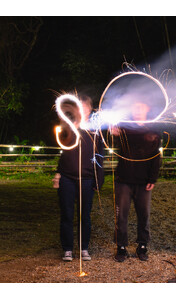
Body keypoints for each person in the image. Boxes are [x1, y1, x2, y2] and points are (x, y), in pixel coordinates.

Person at [52, 95, 104, 262]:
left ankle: (84, 248)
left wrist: (99, 178)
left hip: (87, 179)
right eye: (79, 108)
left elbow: (100, 156)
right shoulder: (69, 127)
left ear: (90, 109)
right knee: (67, 214)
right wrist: (58, 173)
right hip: (67, 177)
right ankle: (67, 249)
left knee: (85, 216)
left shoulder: (96, 131)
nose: (82, 110)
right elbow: (64, 151)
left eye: (85, 107)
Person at [112, 101, 161, 262]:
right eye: (135, 106)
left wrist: (153, 178)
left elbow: (156, 156)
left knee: (144, 215)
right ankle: (121, 246)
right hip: (123, 180)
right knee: (121, 215)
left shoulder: (153, 130)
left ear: (148, 108)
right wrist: (112, 133)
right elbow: (111, 138)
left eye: (142, 106)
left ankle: (142, 246)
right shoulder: (124, 128)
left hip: (144, 182)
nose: (138, 109)